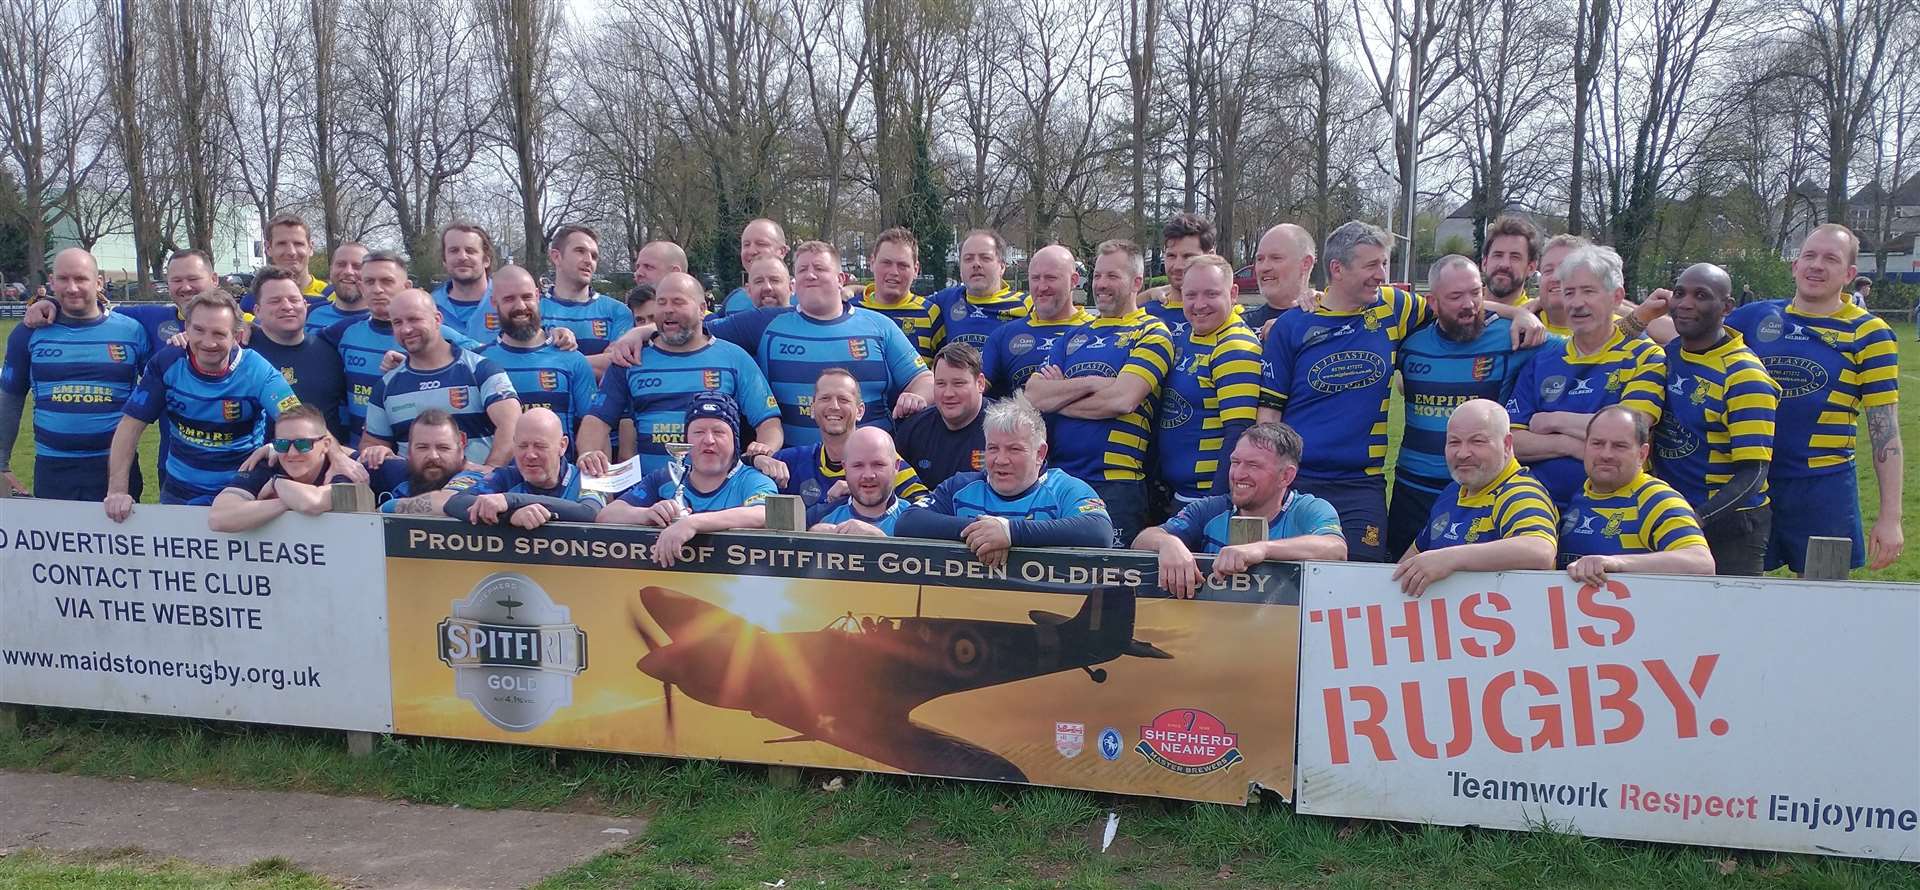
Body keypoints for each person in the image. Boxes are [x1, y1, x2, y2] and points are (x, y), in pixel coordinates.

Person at [618, 240, 933, 446]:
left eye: (820, 269)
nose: (811, 275)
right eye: (803, 270)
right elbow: (696, 326)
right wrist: (641, 332)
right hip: (794, 467)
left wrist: (916, 396)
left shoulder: (878, 326)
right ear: (794, 282)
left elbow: (923, 378)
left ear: (841, 279)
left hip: (866, 467)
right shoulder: (766, 322)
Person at [1726, 224, 1903, 574]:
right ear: (1795, 266)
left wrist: (1890, 517)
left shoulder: (1870, 333)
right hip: (1751, 482)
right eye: (1809, 255)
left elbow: (1886, 431)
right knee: (1736, 601)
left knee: (1824, 606)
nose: (1817, 265)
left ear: (1849, 274)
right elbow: (1684, 334)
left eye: (1830, 259)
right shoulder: (1755, 318)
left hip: (1823, 489)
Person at [1388, 255, 1553, 559]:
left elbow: (1587, 344)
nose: (1469, 304)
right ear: (1433, 302)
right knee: (1399, 578)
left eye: (1476, 293)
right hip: (1412, 489)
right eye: (1455, 296)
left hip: (1479, 488)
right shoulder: (1409, 343)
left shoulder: (1513, 337)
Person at [1021, 239, 1174, 547]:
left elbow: (1122, 399)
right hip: (1059, 479)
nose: (1101, 284)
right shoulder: (1074, 335)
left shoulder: (1152, 332)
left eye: (1112, 276)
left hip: (1117, 483)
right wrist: (1092, 383)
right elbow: (1033, 396)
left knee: (1109, 586)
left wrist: (1060, 397)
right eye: (1098, 275)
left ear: (1137, 282)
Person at [107, 291, 299, 515]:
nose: (208, 342)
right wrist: (118, 490)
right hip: (179, 491)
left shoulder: (258, 371)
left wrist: (279, 444)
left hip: (241, 491)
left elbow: (299, 422)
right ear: (186, 328)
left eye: (219, 333)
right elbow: (130, 426)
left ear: (236, 336)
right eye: (198, 330)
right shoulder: (167, 362)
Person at [1507, 244, 1666, 509]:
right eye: (1569, 292)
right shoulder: (1543, 359)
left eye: (1588, 291)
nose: (1577, 303)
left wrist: (1551, 419)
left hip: (1616, 511)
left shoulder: (1645, 356)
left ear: (1616, 297)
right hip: (1538, 509)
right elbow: (1512, 443)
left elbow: (1627, 433)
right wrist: (1566, 444)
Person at [577, 271, 781, 474]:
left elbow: (769, 423)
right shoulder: (631, 359)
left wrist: (763, 451)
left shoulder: (735, 358)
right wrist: (588, 454)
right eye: (661, 302)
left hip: (718, 494)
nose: (668, 310)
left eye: (678, 302)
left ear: (702, 309)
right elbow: (595, 422)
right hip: (649, 495)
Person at [1650, 263, 1778, 577]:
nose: (1686, 303)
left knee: (1728, 624)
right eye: (1679, 293)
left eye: (1701, 295)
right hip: (1669, 516)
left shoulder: (1744, 375)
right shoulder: (1669, 354)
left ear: (1727, 308)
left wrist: (1699, 517)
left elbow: (1754, 472)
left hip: (1730, 526)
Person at [0, 248, 151, 500]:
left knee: (118, 540)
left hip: (116, 467)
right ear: (51, 281)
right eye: (63, 279)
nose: (72, 288)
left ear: (98, 282)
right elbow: (10, 399)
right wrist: (1, 462)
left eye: (81, 279)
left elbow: (159, 393)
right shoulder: (28, 332)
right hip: (52, 467)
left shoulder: (132, 332)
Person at [895, 394, 1115, 563]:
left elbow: (1100, 532)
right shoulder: (961, 486)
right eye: (993, 448)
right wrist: (984, 532)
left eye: (1014, 449)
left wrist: (1011, 533)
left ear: (1040, 453)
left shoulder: (1065, 488)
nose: (1001, 460)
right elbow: (908, 522)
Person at [1136, 422, 1346, 599]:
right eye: (1235, 462)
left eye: (1253, 466)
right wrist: (1168, 543)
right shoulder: (1211, 509)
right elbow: (1141, 541)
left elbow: (1335, 549)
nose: (1238, 474)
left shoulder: (1307, 508)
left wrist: (1262, 549)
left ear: (1286, 477)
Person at [1394, 399, 1558, 596]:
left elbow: (1540, 551)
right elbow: (1409, 563)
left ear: (1507, 444)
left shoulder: (1519, 492)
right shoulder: (1453, 492)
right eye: (1454, 442)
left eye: (1477, 441)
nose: (1463, 454)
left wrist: (1450, 559)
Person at [597, 393, 777, 566]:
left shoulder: (752, 479)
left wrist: (693, 523)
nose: (708, 440)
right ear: (686, 439)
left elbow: (762, 514)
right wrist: (646, 514)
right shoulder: (665, 478)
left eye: (719, 432)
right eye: (698, 432)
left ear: (735, 440)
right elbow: (606, 516)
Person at [330, 251, 489, 442]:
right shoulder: (344, 333)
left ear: (406, 287)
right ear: (362, 288)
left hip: (420, 453)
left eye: (386, 281)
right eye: (370, 282)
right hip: (365, 454)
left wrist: (417, 366)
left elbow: (492, 358)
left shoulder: (438, 333)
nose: (377, 289)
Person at [359, 289, 521, 468]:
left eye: (414, 319)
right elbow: (371, 444)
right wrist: (377, 451)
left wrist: (488, 475)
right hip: (414, 492)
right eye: (397, 322)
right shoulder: (386, 386)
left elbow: (512, 427)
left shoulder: (481, 370)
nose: (406, 329)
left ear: (437, 319)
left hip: (476, 492)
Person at [1560, 406, 1714, 584]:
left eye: (1619, 446)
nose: (1606, 454)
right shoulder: (1581, 494)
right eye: (1597, 443)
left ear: (1642, 454)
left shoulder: (1655, 498)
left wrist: (1615, 563)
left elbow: (1702, 563)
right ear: (1585, 446)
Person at [1155, 255, 1262, 506]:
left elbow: (1239, 432)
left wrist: (1216, 503)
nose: (1199, 304)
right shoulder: (1184, 339)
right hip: (1177, 492)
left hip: (1207, 497)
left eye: (1211, 294)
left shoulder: (1235, 347)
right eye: (1191, 295)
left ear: (1233, 293)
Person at [754, 368, 928, 522]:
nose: (834, 406)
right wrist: (757, 460)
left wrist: (861, 495)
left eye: (843, 399)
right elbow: (735, 471)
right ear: (812, 409)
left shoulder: (885, 463)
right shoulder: (794, 460)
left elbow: (924, 508)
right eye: (825, 398)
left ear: (860, 411)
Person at [480, 266, 598, 452]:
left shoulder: (573, 360)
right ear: (494, 302)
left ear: (537, 296)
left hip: (558, 478)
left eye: (526, 297)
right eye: (509, 299)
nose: (520, 306)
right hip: (500, 478)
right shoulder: (480, 363)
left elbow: (594, 429)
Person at [208, 404, 363, 532]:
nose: (291, 453)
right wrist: (287, 501)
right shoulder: (268, 463)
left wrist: (278, 484)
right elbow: (219, 518)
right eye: (282, 444)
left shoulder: (343, 467)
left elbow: (313, 502)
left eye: (302, 444)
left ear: (326, 445)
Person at [442, 407, 603, 528]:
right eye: (522, 446)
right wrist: (510, 516)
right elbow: (455, 503)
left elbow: (589, 513)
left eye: (540, 446)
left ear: (562, 446)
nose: (530, 454)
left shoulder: (586, 476)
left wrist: (510, 500)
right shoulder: (506, 477)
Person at [246, 266, 350, 442]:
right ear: (257, 311)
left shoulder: (330, 352)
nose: (287, 306)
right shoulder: (243, 352)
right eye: (275, 301)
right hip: (261, 462)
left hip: (325, 460)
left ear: (305, 305)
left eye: (294, 299)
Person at [981, 244, 1093, 397]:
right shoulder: (1003, 336)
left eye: (1051, 278)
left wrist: (1062, 390)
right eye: (1035, 278)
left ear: (1074, 280)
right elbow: (973, 393)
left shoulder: (1096, 331)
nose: (1041, 287)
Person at [894, 342, 988, 489]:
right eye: (941, 384)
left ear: (980, 383)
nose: (948, 393)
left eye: (958, 383)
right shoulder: (914, 429)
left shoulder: (1004, 428)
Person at [540, 225, 632, 370]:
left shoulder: (618, 311)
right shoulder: (533, 310)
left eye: (594, 256)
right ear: (556, 257)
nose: (589, 260)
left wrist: (553, 363)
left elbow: (617, 364)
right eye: (580, 251)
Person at [930, 228, 1029, 353]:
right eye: (968, 259)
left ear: (1002, 266)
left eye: (985, 258)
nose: (976, 264)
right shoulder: (944, 301)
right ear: (960, 268)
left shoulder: (1027, 304)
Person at [371, 409, 488, 514]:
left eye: (443, 448)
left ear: (461, 445)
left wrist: (383, 509)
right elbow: (353, 458)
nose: (433, 456)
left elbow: (448, 502)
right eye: (422, 447)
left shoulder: (476, 476)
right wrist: (367, 455)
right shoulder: (397, 470)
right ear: (409, 449)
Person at [854, 227, 942, 363]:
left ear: (916, 269)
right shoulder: (851, 310)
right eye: (886, 263)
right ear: (872, 263)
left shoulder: (931, 314)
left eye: (902, 265)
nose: (894, 272)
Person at [810, 426, 917, 535]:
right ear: (845, 468)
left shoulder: (916, 522)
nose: (868, 475)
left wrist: (883, 542)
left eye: (878, 464)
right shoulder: (819, 517)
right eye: (858, 465)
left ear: (896, 466)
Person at [1142, 213, 1213, 340]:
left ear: (1211, 256)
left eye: (1188, 257)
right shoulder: (1145, 314)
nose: (1178, 266)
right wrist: (1148, 295)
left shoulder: (1222, 314)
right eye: (1171, 256)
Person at [1243, 223, 1316, 333]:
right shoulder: (1240, 325)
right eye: (1260, 259)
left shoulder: (1329, 321)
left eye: (1276, 258)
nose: (1264, 267)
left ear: (1305, 263)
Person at [431, 223, 495, 335]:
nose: (462, 257)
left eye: (470, 251)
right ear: (444, 260)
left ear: (486, 260)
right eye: (454, 250)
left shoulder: (510, 302)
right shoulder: (430, 306)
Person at [716, 219, 788, 316]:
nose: (751, 251)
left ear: (782, 251)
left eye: (761, 244)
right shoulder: (734, 299)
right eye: (746, 245)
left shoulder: (804, 299)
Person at [305, 242, 371, 332]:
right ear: (331, 270)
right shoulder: (310, 314)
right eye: (341, 264)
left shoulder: (389, 324)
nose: (348, 271)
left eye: (357, 266)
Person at [1480, 214, 1540, 309]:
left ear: (1531, 268)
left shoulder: (1541, 319)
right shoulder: (1459, 311)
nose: (1504, 264)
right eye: (1498, 255)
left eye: (1515, 257)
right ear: (1484, 263)